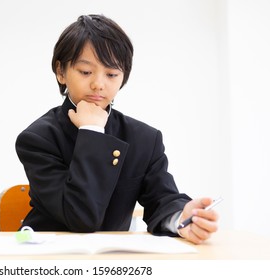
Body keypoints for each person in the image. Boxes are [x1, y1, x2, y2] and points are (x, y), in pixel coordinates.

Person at [15, 14, 218, 244]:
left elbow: (162, 199)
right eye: (85, 72)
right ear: (61, 72)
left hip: (113, 261)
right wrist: (91, 131)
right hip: (45, 258)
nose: (99, 84)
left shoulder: (144, 138)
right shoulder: (38, 138)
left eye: (111, 74)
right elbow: (80, 217)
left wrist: (180, 218)